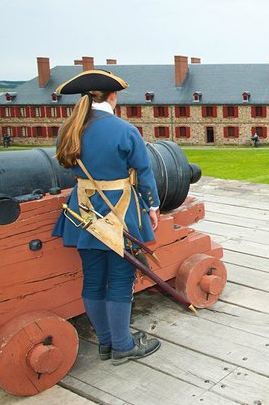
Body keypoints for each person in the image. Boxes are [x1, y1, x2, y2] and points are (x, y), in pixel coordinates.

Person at [52, 69, 161, 366]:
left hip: (83, 212)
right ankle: (123, 346)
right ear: (112, 96)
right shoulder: (125, 130)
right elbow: (143, 173)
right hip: (120, 211)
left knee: (93, 281)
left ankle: (105, 343)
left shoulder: (69, 128)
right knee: (120, 280)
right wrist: (153, 207)